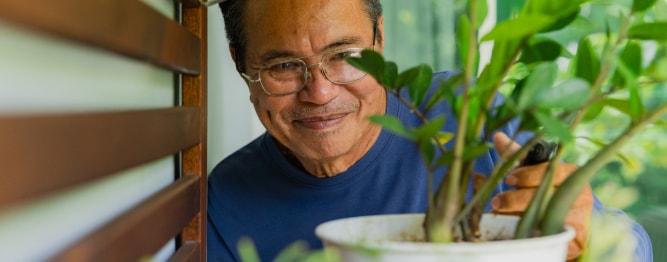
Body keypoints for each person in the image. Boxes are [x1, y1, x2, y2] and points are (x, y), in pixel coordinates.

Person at [207, 0, 653, 261]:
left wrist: (584, 233)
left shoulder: (474, 114)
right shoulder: (221, 204)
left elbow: (633, 246)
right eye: (284, 65)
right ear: (240, 63)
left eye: (344, 53)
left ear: (380, 40)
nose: (320, 92)